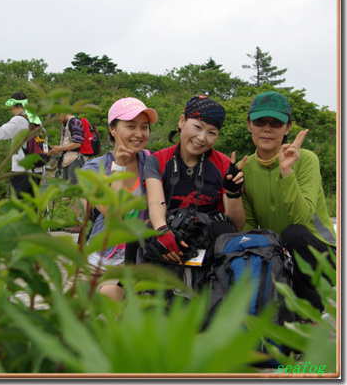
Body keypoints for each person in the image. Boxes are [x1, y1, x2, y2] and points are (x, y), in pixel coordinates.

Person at [241, 91, 336, 314]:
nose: (267, 128)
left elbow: (302, 219)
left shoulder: (306, 159)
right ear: (249, 125)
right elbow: (247, 226)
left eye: (276, 123)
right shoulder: (245, 168)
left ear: (287, 128)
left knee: (294, 233)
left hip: (321, 254)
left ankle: (311, 313)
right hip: (278, 253)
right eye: (260, 121)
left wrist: (286, 172)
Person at [141, 96, 246, 288]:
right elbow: (156, 202)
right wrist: (163, 231)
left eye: (211, 132)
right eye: (197, 127)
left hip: (208, 235)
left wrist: (234, 192)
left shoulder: (223, 165)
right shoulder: (157, 160)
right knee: (139, 236)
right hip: (170, 229)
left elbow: (237, 224)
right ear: (182, 122)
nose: (202, 138)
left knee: (226, 232)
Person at [82, 97, 158, 301]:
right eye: (131, 126)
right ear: (113, 129)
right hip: (97, 260)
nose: (139, 134)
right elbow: (112, 213)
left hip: (135, 259)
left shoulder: (153, 163)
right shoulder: (92, 168)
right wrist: (118, 167)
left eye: (144, 127)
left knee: (111, 297)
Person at [49, 113, 86, 232]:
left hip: (75, 159)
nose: (57, 120)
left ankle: (83, 222)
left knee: (77, 191)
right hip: (68, 160)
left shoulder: (74, 122)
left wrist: (60, 149)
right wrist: (58, 149)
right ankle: (79, 221)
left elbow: (77, 143)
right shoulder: (66, 124)